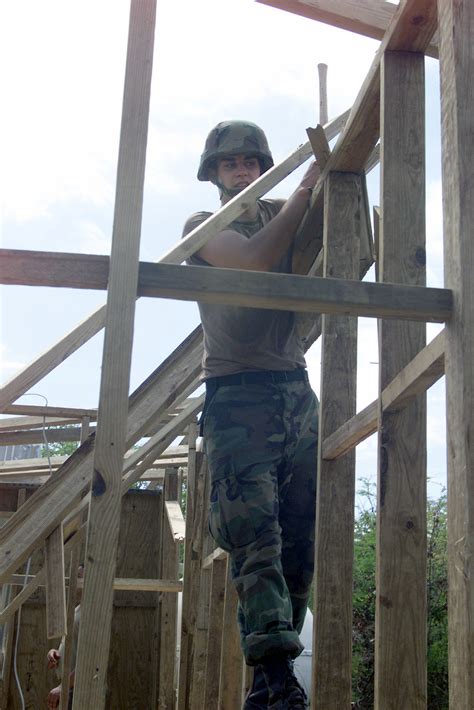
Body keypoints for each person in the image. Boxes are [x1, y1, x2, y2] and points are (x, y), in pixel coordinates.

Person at [182, 121, 319, 709]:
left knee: (298, 541)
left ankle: (271, 680)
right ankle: (274, 674)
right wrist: (307, 188)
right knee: (253, 535)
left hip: (295, 389)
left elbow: (341, 231)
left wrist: (326, 179)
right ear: (213, 173)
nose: (242, 169)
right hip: (238, 395)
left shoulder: (284, 212)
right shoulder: (204, 227)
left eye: (251, 161)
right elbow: (256, 261)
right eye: (230, 162)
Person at [46, 567, 83, 709]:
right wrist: (55, 653)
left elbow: (90, 661)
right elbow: (70, 643)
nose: (75, 581)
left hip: (79, 689)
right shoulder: (77, 610)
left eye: (80, 577)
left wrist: (63, 687)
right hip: (70, 686)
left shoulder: (92, 613)